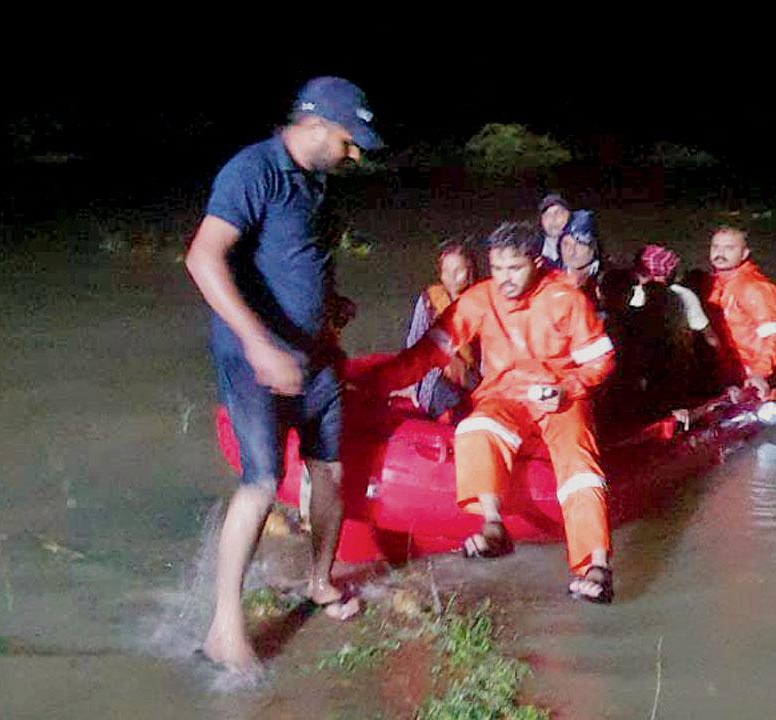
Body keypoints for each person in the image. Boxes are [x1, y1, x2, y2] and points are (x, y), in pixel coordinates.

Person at [184, 76, 382, 675]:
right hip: (254, 360)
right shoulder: (254, 170)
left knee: (330, 470)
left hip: (316, 354)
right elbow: (203, 256)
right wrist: (259, 343)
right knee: (263, 482)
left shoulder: (318, 185)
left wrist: (330, 303)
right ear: (316, 125)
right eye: (349, 141)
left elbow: (297, 260)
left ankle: (319, 582)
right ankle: (224, 627)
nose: (354, 155)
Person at [367, 221, 618, 603]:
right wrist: (373, 385)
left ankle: (595, 566)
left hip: (561, 397)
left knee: (579, 465)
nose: (504, 279)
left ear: (536, 261)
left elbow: (600, 362)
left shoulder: (567, 299)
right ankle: (493, 526)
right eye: (497, 268)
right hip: (504, 396)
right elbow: (427, 355)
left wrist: (567, 387)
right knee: (476, 427)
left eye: (514, 268)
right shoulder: (478, 300)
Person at [701, 227, 776, 399]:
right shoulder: (713, 283)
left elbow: (774, 337)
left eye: (729, 248)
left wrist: (759, 373)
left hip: (750, 373)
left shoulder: (754, 288)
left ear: (744, 253)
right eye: (715, 247)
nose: (720, 253)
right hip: (725, 369)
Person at [399, 238, 480, 420]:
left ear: (471, 272)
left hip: (471, 377)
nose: (452, 277)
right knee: (445, 394)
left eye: (459, 271)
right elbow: (414, 343)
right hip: (433, 374)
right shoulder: (429, 300)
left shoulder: (482, 301)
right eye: (446, 271)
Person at [558, 210, 602, 304]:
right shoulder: (550, 279)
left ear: (593, 247)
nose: (571, 252)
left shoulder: (609, 280)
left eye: (580, 244)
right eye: (566, 244)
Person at [537, 193, 571, 268]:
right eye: (547, 215)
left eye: (558, 213)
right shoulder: (533, 251)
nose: (552, 219)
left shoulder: (584, 246)